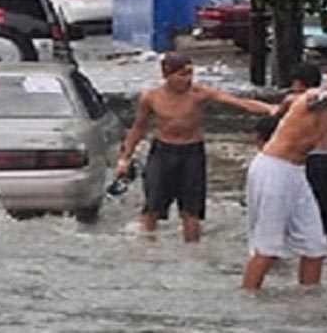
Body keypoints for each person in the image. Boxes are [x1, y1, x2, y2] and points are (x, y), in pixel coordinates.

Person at [115, 52, 277, 242]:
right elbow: (138, 129)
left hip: (191, 153)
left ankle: (192, 254)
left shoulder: (198, 93)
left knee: (191, 211)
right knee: (152, 207)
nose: (188, 79)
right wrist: (125, 158)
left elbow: (238, 103)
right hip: (162, 153)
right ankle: (146, 252)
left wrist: (270, 109)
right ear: (167, 75)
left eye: (190, 74)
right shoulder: (151, 97)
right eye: (182, 75)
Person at [242, 58, 327, 289]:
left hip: (297, 173)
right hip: (273, 168)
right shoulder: (313, 97)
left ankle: (308, 301)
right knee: (268, 247)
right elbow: (314, 98)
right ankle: (246, 298)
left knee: (315, 246)